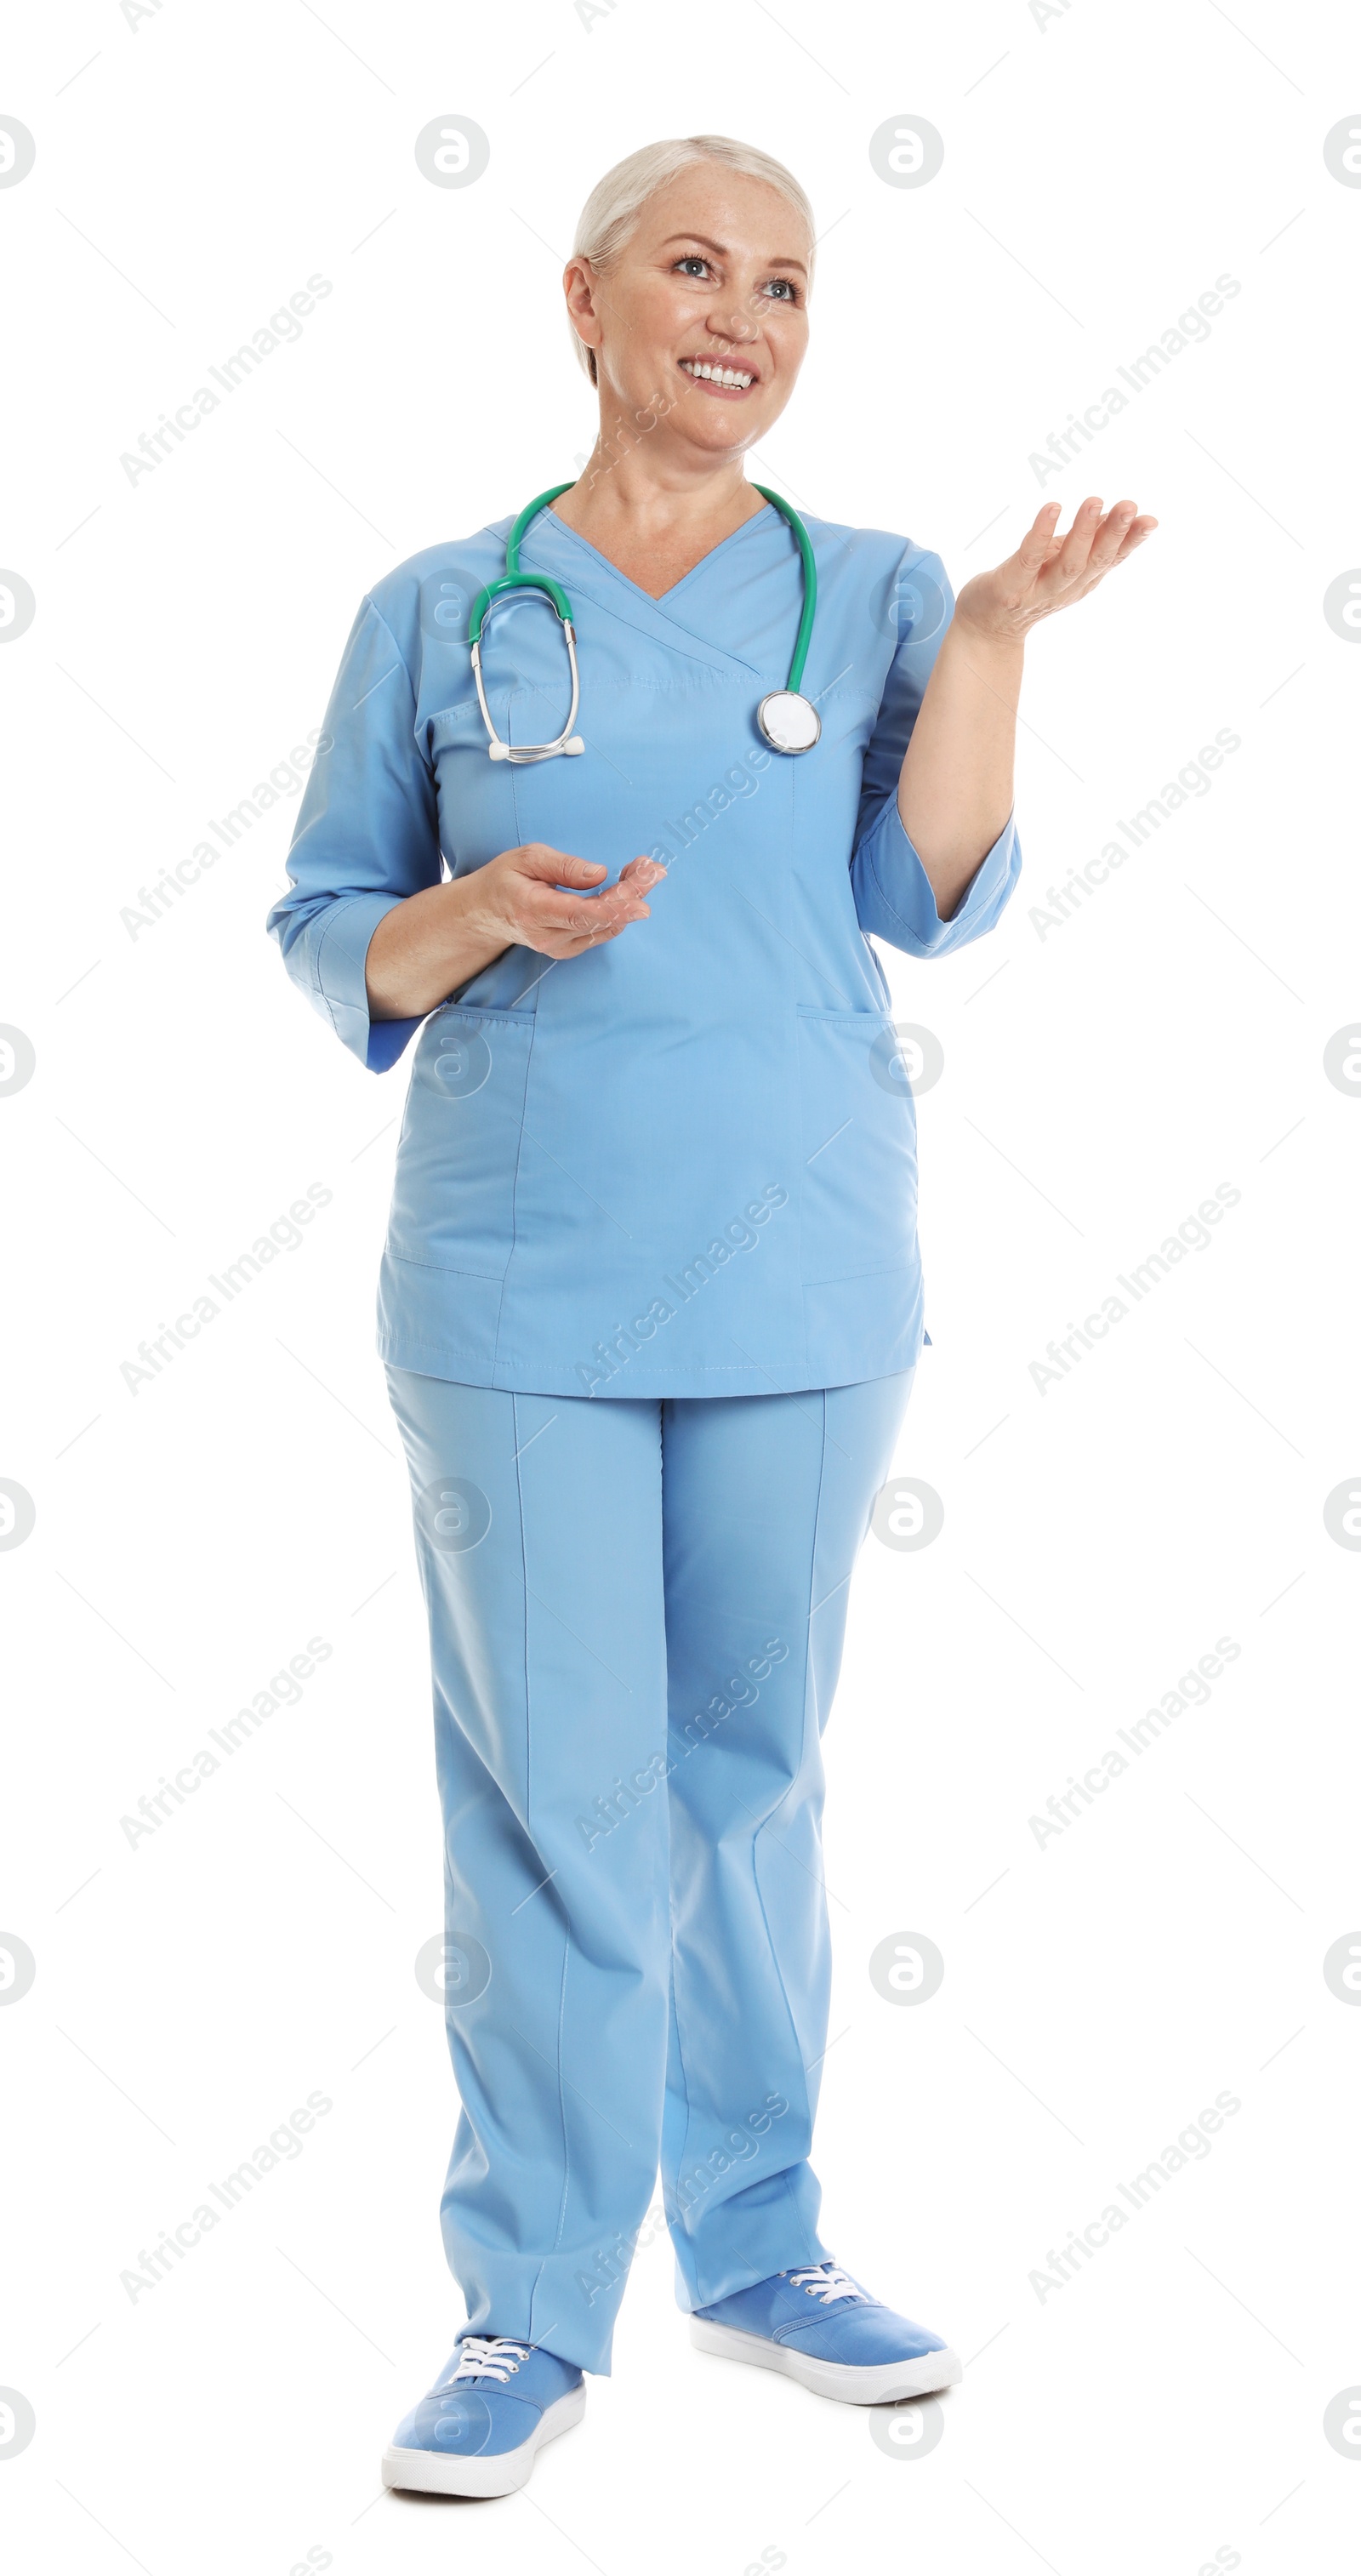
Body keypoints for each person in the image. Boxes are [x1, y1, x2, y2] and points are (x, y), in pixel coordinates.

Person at [266, 133, 1154, 2499]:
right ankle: (529, 2306)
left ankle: (758, 2244)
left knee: (746, 1777)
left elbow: (926, 893)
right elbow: (329, 919)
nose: (742, 312)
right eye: (694, 265)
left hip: (802, 1269)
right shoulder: (440, 609)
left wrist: (985, 648)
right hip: (518, 1280)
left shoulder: (867, 590)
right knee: (556, 1797)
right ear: (584, 303)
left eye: (784, 279)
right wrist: (473, 913)